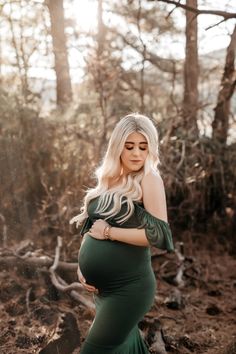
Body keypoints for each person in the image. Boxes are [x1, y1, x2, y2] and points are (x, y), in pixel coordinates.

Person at [70, 113, 174, 354]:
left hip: (130, 288)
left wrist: (109, 232)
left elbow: (158, 235)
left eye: (143, 146)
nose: (137, 153)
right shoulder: (111, 179)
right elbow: (90, 228)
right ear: (118, 147)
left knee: (95, 349)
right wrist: (80, 268)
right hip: (103, 290)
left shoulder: (149, 178)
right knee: (125, 347)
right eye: (129, 147)